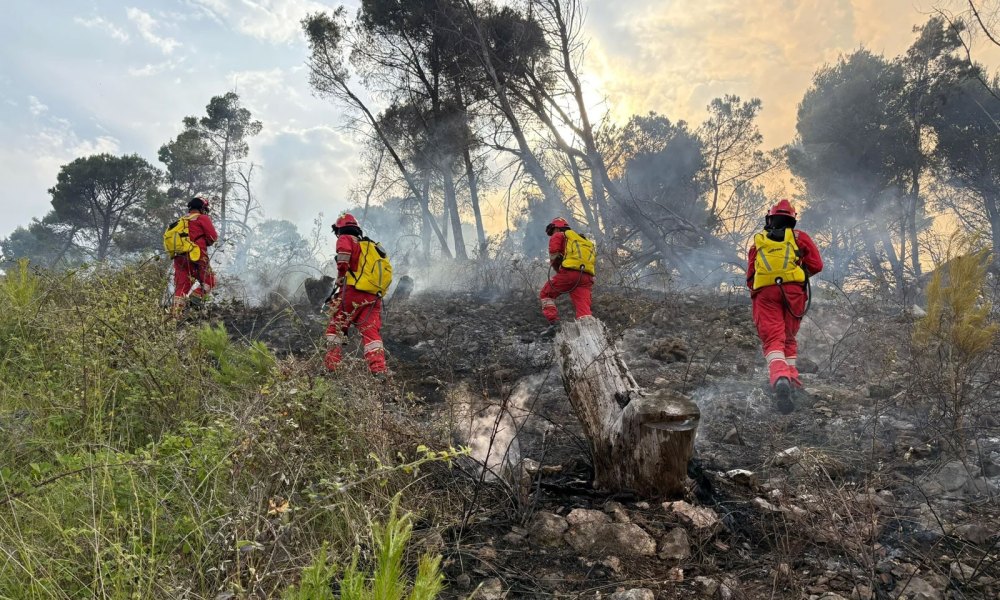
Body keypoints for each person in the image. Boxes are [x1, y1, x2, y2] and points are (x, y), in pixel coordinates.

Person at [746, 199, 823, 413]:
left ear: (769, 219)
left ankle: (780, 377)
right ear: (792, 220)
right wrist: (797, 272)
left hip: (766, 294)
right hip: (794, 293)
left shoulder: (758, 242)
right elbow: (817, 265)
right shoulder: (800, 238)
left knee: (773, 339)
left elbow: (751, 275)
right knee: (788, 337)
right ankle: (792, 379)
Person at [324, 212, 389, 377]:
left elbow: (344, 257)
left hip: (353, 293)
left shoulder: (345, 238)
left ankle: (331, 367)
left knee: (335, 327)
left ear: (340, 229)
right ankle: (379, 370)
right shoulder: (368, 246)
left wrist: (340, 277)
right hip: (373, 296)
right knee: (371, 332)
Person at [539, 217, 596, 335]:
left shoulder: (559, 235)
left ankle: (554, 325)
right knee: (583, 308)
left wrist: (557, 269)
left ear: (557, 228)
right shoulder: (581, 239)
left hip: (570, 273)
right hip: (586, 276)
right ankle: (590, 333)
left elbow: (554, 253)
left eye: (552, 231)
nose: (552, 234)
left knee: (546, 293)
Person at [171, 197, 218, 316]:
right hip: (198, 255)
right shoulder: (202, 218)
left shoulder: (181, 221)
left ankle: (175, 316)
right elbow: (213, 237)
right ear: (202, 208)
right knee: (209, 281)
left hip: (179, 257)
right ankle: (193, 302)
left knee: (182, 286)